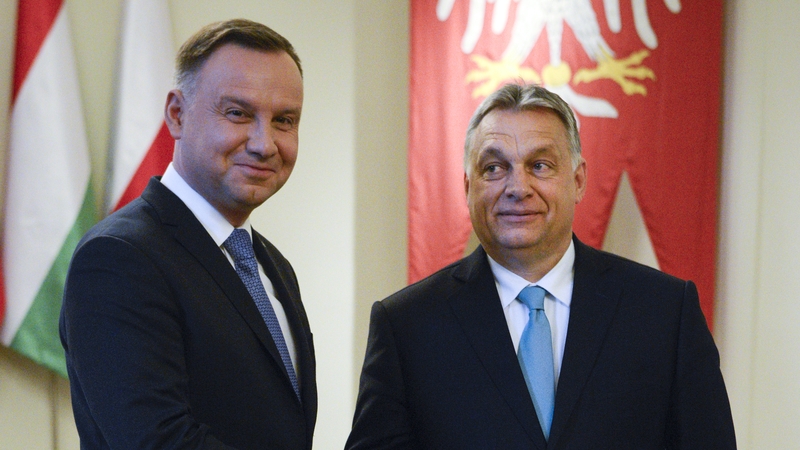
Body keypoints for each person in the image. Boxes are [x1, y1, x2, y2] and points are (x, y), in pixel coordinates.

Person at [346, 84, 736, 449]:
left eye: (540, 165)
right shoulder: (407, 325)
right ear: (467, 188)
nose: (517, 187)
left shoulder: (665, 311)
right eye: (494, 168)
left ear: (579, 180)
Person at [60, 19, 316, 449]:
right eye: (238, 113)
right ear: (177, 114)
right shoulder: (119, 258)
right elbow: (158, 441)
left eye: (284, 120)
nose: (263, 143)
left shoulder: (272, 266)